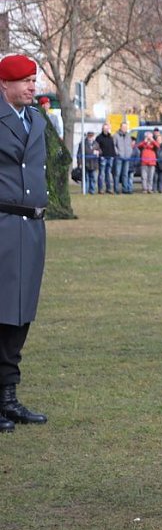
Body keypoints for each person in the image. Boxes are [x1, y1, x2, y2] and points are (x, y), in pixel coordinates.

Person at [0, 54, 50, 432]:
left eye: (34, 80)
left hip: (31, 227)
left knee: (21, 312)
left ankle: (8, 396)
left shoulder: (35, 119)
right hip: (2, 223)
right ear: (5, 84)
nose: (32, 86)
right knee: (1, 311)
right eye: (24, 81)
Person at [95, 122, 117, 194]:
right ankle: (101, 189)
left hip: (110, 157)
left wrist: (114, 155)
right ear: (102, 129)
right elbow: (96, 147)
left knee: (109, 173)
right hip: (103, 158)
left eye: (108, 128)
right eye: (105, 128)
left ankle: (109, 188)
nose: (106, 130)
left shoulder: (111, 137)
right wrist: (100, 153)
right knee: (102, 174)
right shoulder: (99, 138)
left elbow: (112, 147)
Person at [113, 122, 134, 194]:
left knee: (125, 174)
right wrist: (117, 153)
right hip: (119, 157)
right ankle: (116, 189)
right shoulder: (116, 135)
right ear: (120, 127)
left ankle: (125, 189)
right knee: (117, 174)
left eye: (126, 127)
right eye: (123, 127)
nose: (125, 128)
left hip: (127, 157)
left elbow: (130, 145)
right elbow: (114, 145)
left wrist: (130, 153)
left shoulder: (128, 135)